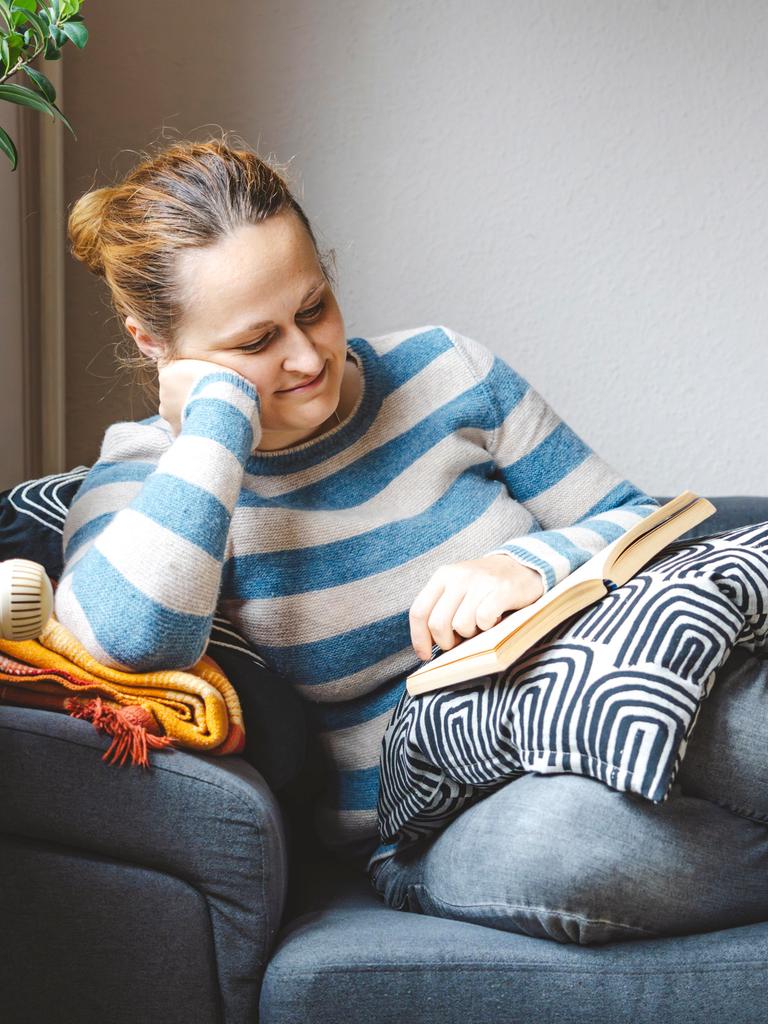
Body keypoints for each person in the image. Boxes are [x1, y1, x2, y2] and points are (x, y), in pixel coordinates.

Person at [57, 135, 768, 946]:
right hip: (453, 815)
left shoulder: (444, 369)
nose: (305, 356)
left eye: (314, 306)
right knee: (564, 851)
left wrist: (525, 564)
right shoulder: (154, 476)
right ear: (154, 344)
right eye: (255, 344)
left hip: (612, 695)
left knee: (733, 716)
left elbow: (643, 525)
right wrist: (218, 419)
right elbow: (133, 641)